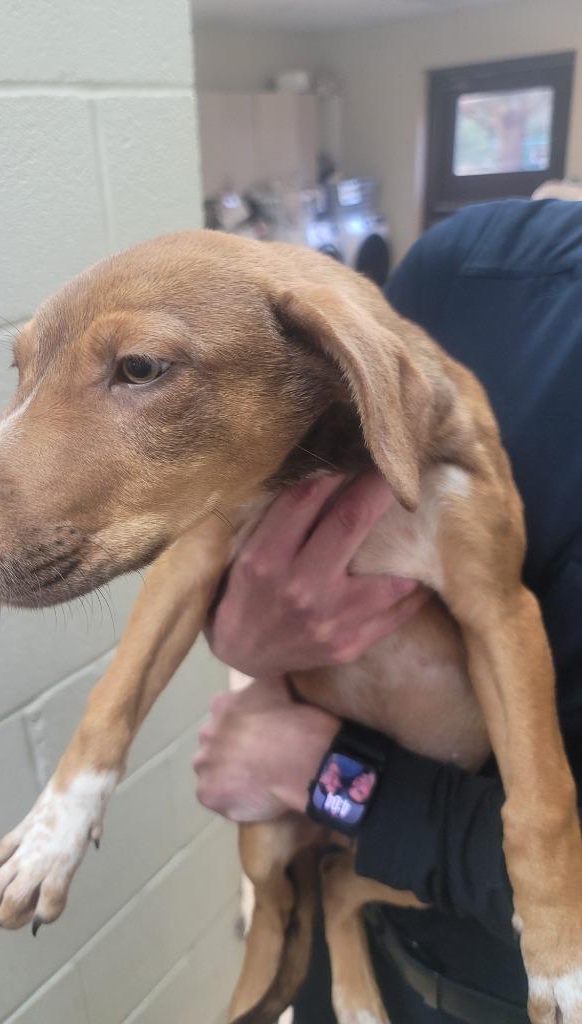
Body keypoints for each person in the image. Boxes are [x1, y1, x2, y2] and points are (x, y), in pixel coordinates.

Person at [193, 198, 582, 1023]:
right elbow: (273, 526)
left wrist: (334, 777)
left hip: (514, 978)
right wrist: (239, 633)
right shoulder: (471, 264)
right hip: (380, 948)